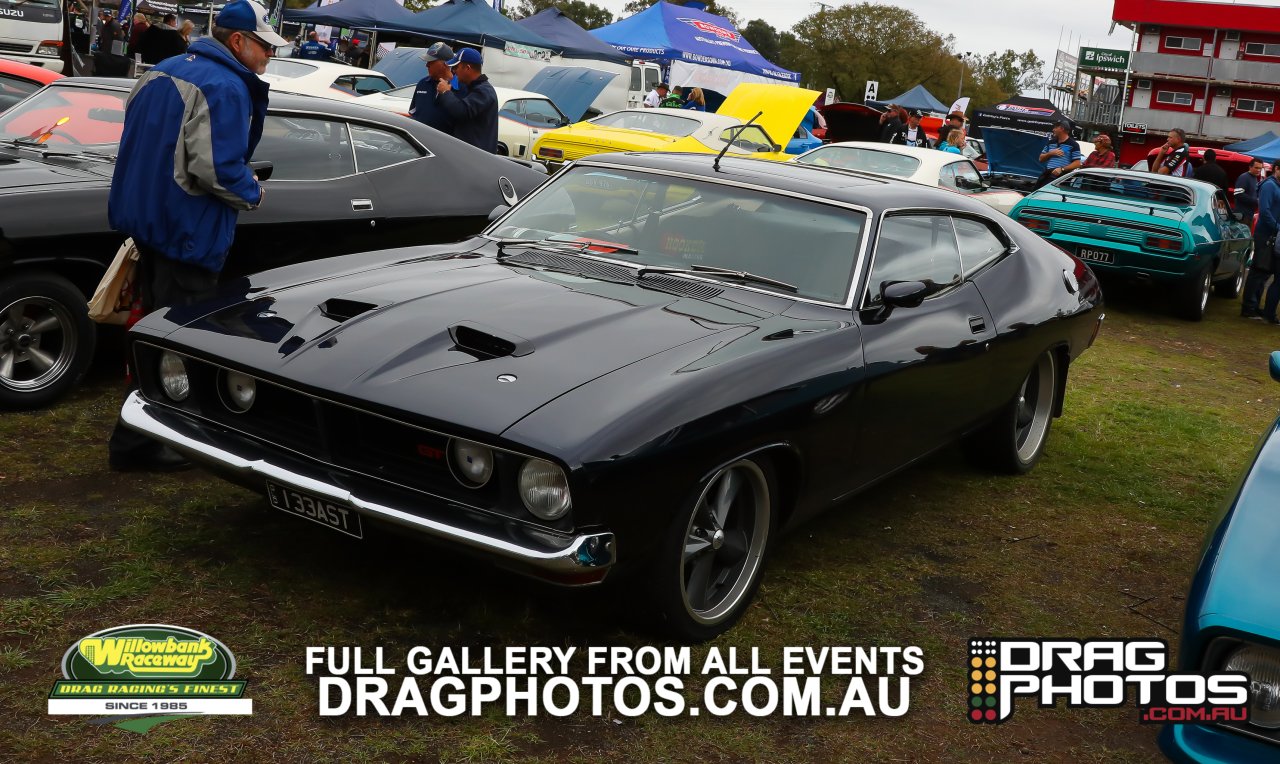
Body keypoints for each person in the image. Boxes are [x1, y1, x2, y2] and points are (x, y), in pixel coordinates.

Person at [105, 0, 280, 471]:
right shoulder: (224, 85)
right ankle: (145, 441)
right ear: (239, 42)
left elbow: (143, 145)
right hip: (187, 228)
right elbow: (218, 169)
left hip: (150, 221)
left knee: (153, 330)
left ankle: (142, 435)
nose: (269, 58)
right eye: (265, 47)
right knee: (180, 341)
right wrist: (254, 192)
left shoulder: (163, 69)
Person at [437, 47, 498, 153]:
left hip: (477, 158)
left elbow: (461, 111)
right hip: (471, 155)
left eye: (456, 67)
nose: (454, 71)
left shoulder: (484, 91)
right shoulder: (475, 87)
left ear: (468, 68)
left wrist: (445, 92)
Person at [1243, 168, 1280, 322]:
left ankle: (1255, 305)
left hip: (1272, 234)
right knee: (1258, 270)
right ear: (1277, 169)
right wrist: (1277, 228)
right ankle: (1248, 307)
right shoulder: (1269, 186)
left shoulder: (1276, 185)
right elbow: (1264, 211)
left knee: (1265, 272)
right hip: (1265, 233)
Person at [407, 41, 456, 134]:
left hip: (446, 145)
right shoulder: (422, 84)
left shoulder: (460, 86)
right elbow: (413, 114)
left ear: (445, 64)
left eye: (431, 62)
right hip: (420, 143)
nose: (427, 65)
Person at [1036, 121, 1082, 187]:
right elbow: (1040, 159)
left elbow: (1077, 163)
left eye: (1055, 128)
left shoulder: (1074, 144)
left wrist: (1062, 169)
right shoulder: (1051, 142)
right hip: (1048, 175)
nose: (1053, 130)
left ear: (1061, 128)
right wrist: (1051, 153)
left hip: (1062, 178)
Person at [1235, 158, 1263, 229]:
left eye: (1260, 168)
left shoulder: (1255, 178)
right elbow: (1238, 194)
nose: (1258, 170)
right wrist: (1256, 201)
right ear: (1250, 167)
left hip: (1249, 215)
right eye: (1256, 168)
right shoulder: (1244, 177)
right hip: (1242, 216)